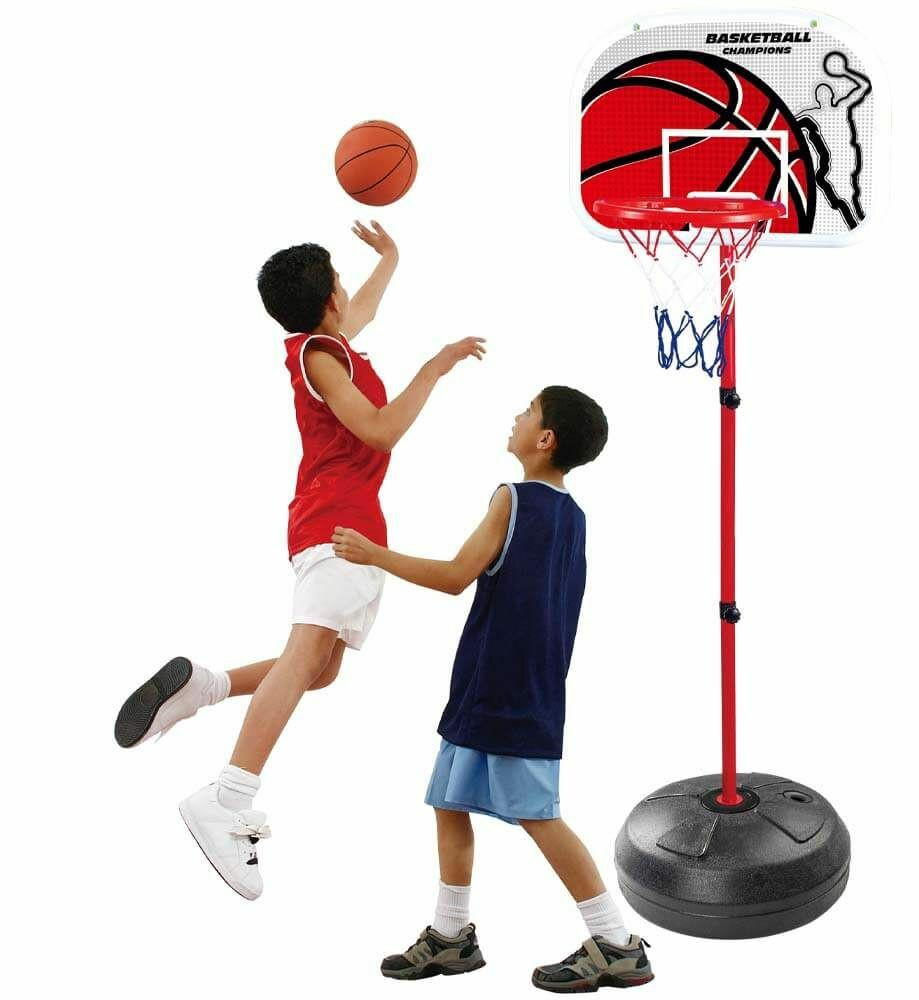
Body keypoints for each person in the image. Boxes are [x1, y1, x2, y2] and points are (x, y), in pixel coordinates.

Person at [113, 224, 485, 900]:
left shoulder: (328, 342)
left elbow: (362, 310)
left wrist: (392, 257)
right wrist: (434, 367)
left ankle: (205, 687)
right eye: (341, 280)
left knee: (322, 669)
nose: (348, 291)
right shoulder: (320, 356)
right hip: (337, 523)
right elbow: (380, 429)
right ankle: (227, 797)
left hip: (344, 520)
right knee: (307, 652)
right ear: (327, 299)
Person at [333, 386, 653, 993]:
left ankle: (615, 941)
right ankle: (451, 933)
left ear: (545, 439)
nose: (516, 416)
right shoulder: (575, 516)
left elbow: (456, 576)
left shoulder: (513, 498)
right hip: (511, 684)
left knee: (538, 814)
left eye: (528, 412)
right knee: (448, 799)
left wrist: (374, 554)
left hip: (504, 688)